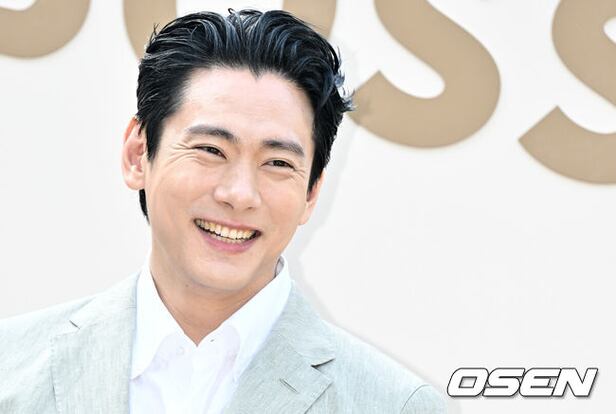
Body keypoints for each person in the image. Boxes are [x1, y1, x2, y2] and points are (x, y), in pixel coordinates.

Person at [0, 9, 445, 414]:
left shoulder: (394, 405)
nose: (240, 194)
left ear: (311, 192)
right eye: (211, 150)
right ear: (138, 155)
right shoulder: (11, 365)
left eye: (278, 163)